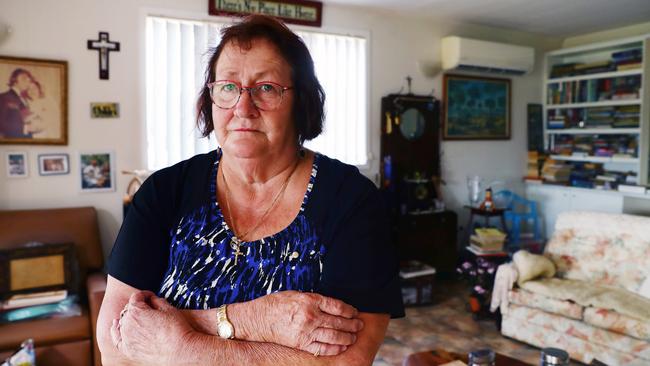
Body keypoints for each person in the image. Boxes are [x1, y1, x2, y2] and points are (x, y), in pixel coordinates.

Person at [97, 14, 404, 365]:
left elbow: (343, 362)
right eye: (228, 87)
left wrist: (178, 345)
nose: (243, 108)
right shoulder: (164, 191)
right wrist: (256, 321)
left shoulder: (352, 202)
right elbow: (115, 342)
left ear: (301, 102)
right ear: (210, 99)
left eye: (266, 88)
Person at [0, 68, 33, 138]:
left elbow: (26, 119)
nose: (27, 82)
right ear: (14, 80)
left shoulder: (25, 100)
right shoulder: (3, 97)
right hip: (12, 142)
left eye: (28, 81)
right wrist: (24, 128)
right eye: (24, 79)